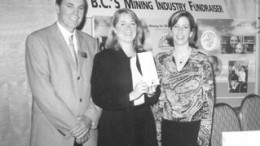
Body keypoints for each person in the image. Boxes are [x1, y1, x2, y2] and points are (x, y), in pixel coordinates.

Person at [25, 0, 101, 146]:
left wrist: (89, 118)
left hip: (88, 135)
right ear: (57, 8)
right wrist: (75, 127)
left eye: (81, 8)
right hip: (53, 135)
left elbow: (100, 87)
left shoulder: (92, 43)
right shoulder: (38, 40)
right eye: (69, 5)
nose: (76, 13)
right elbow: (42, 92)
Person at [91, 8, 160, 146]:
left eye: (132, 23)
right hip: (116, 128)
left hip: (144, 126)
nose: (128, 28)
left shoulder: (146, 56)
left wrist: (152, 92)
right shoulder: (103, 58)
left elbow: (155, 93)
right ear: (115, 29)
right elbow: (98, 97)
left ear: (137, 28)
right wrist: (131, 96)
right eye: (122, 24)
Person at [154, 11, 214, 146]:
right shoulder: (160, 60)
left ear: (191, 32)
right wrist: (157, 134)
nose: (180, 31)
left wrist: (203, 139)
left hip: (194, 129)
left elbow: (208, 105)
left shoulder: (202, 61)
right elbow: (157, 102)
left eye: (185, 27)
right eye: (176, 26)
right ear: (170, 30)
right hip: (167, 128)